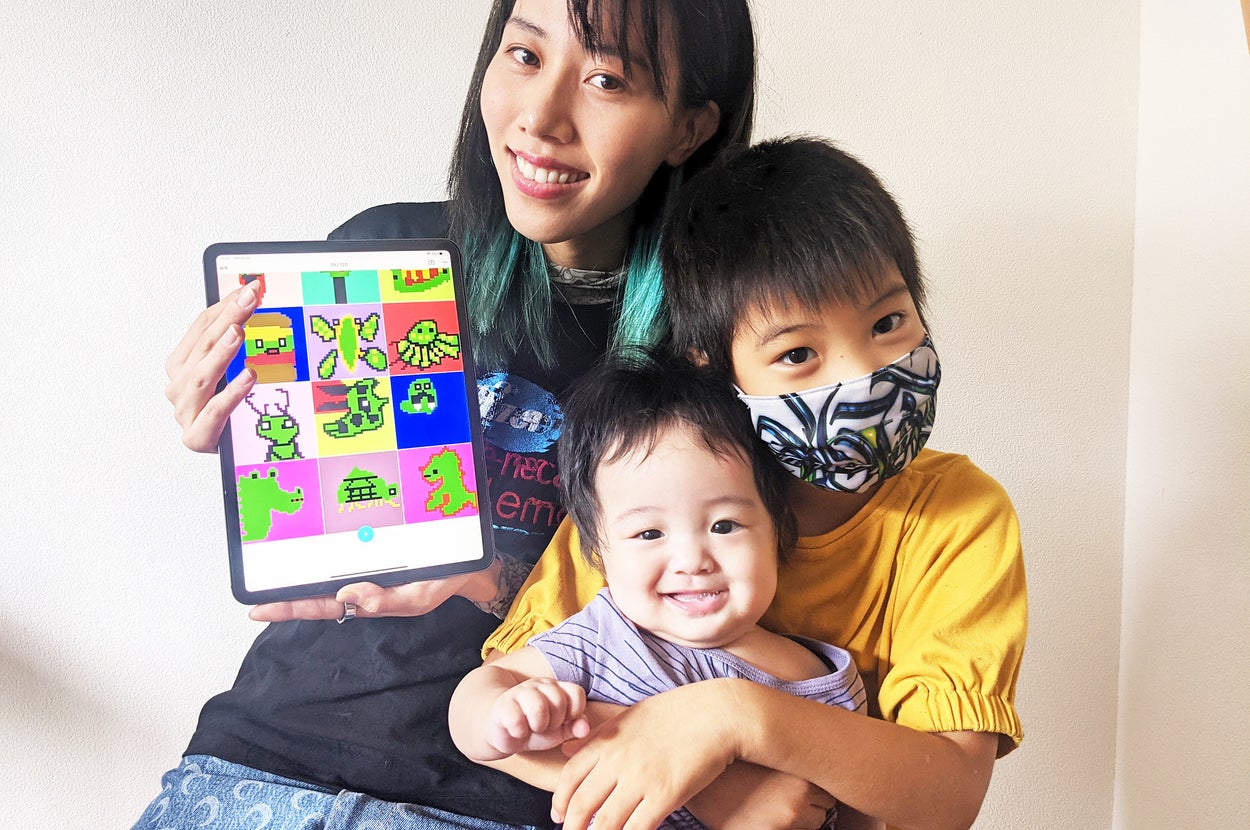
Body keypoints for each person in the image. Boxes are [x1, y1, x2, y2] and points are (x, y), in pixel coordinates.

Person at [144, 1, 756, 828]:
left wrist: (492, 581)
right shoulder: (384, 250)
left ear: (689, 128)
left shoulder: (723, 337)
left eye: (607, 79)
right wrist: (236, 425)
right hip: (257, 763)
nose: (540, 119)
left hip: (505, 794)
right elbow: (310, 514)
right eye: (524, 56)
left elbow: (712, 600)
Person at [483, 136, 1028, 830]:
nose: (860, 376)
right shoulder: (655, 486)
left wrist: (735, 718)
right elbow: (502, 715)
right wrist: (719, 790)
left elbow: (948, 796)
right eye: (797, 352)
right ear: (710, 365)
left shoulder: (960, 515)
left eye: (888, 322)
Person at [449, 357, 869, 830]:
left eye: (724, 525)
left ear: (776, 530)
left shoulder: (821, 680)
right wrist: (503, 713)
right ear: (598, 553)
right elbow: (477, 694)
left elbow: (865, 808)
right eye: (649, 533)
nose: (692, 560)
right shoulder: (606, 638)